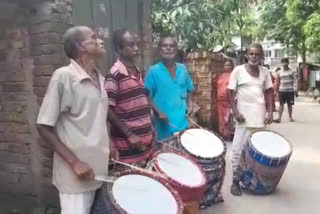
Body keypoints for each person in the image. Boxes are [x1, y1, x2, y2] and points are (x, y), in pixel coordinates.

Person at [36, 26, 110, 214]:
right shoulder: (64, 76)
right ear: (80, 46)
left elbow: (95, 119)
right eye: (94, 38)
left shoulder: (99, 78)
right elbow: (44, 126)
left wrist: (110, 145)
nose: (101, 41)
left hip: (99, 171)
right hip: (76, 175)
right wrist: (75, 162)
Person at [227, 43, 273, 196]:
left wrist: (270, 112)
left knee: (256, 151)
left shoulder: (265, 72)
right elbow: (230, 92)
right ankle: (235, 181)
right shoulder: (238, 71)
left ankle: (252, 180)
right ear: (247, 55)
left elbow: (269, 92)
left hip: (259, 118)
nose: (254, 56)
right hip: (243, 118)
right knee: (237, 149)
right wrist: (235, 111)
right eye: (251, 54)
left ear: (261, 57)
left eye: (257, 54)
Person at [105, 29, 154, 166]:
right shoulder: (115, 75)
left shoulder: (137, 72)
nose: (137, 48)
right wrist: (129, 134)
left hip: (145, 147)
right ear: (119, 49)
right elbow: (107, 110)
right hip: (128, 149)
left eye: (137, 44)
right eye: (131, 45)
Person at [145, 36, 194, 141]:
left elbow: (189, 89)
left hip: (181, 125)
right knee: (164, 156)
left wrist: (190, 104)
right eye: (165, 46)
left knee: (183, 155)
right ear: (159, 49)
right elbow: (146, 95)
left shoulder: (183, 69)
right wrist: (158, 112)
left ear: (176, 50)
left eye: (171, 46)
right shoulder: (153, 71)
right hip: (163, 127)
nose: (168, 48)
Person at [216, 59, 235, 141]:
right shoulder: (221, 75)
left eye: (229, 65)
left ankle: (230, 135)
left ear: (232, 66)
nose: (227, 67)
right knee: (221, 119)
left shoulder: (234, 76)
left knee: (229, 119)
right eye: (226, 65)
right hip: (220, 101)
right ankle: (223, 135)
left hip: (229, 101)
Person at [275, 58, 296, 123]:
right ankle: (279, 118)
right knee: (281, 104)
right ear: (281, 63)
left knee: (289, 105)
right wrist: (276, 90)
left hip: (290, 91)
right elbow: (277, 82)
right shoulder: (279, 72)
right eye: (283, 62)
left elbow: (295, 80)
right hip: (281, 91)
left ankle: (290, 117)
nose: (284, 63)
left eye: (286, 62)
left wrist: (296, 88)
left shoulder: (292, 71)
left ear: (288, 63)